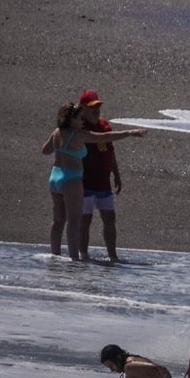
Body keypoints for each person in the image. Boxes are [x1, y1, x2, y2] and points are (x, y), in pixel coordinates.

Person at [42, 101, 147, 261]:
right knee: (74, 221)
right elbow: (106, 137)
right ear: (71, 119)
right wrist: (130, 132)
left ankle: (54, 255)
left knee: (58, 220)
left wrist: (62, 148)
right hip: (71, 178)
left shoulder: (57, 132)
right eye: (79, 119)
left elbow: (45, 150)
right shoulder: (79, 135)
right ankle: (73, 260)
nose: (82, 121)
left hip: (55, 177)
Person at [77, 90, 126, 261]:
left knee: (110, 218)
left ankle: (112, 255)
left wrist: (117, 175)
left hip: (104, 182)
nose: (96, 110)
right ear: (82, 109)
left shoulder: (104, 125)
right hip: (85, 182)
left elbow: (110, 153)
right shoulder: (80, 128)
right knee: (85, 220)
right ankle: (82, 255)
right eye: (92, 107)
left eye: (98, 106)